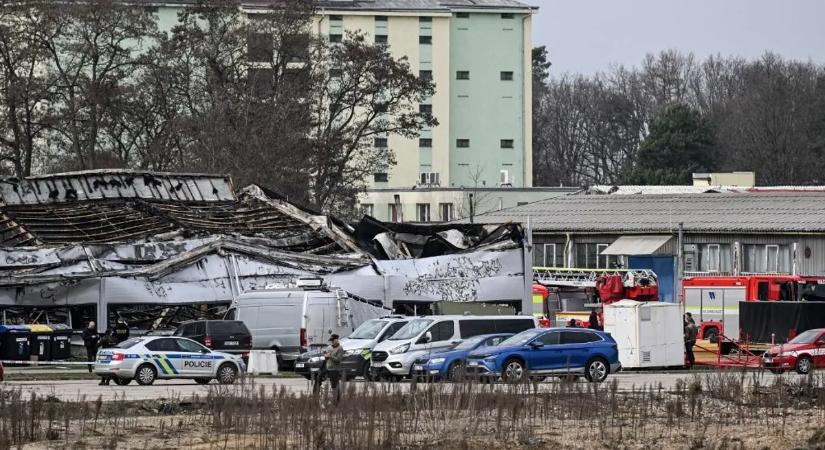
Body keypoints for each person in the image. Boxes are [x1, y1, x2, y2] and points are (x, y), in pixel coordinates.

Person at [323, 334, 345, 403]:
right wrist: (326, 356)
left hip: (335, 369)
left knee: (335, 385)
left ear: (336, 340)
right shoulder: (329, 347)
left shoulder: (340, 348)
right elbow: (326, 358)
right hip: (328, 368)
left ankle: (336, 400)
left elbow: (338, 359)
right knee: (329, 384)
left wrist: (330, 356)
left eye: (333, 340)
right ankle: (331, 399)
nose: (332, 342)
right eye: (331, 340)